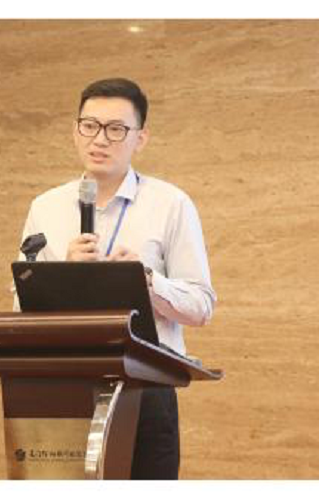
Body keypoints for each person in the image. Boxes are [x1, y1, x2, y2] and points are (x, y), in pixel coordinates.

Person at [13, 77, 216, 479]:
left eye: (116, 129)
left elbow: (201, 306)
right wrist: (60, 277)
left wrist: (148, 281)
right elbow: (21, 306)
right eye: (89, 125)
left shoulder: (170, 204)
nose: (100, 139)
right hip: (63, 387)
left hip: (146, 389)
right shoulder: (46, 206)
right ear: (75, 131)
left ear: (140, 138)